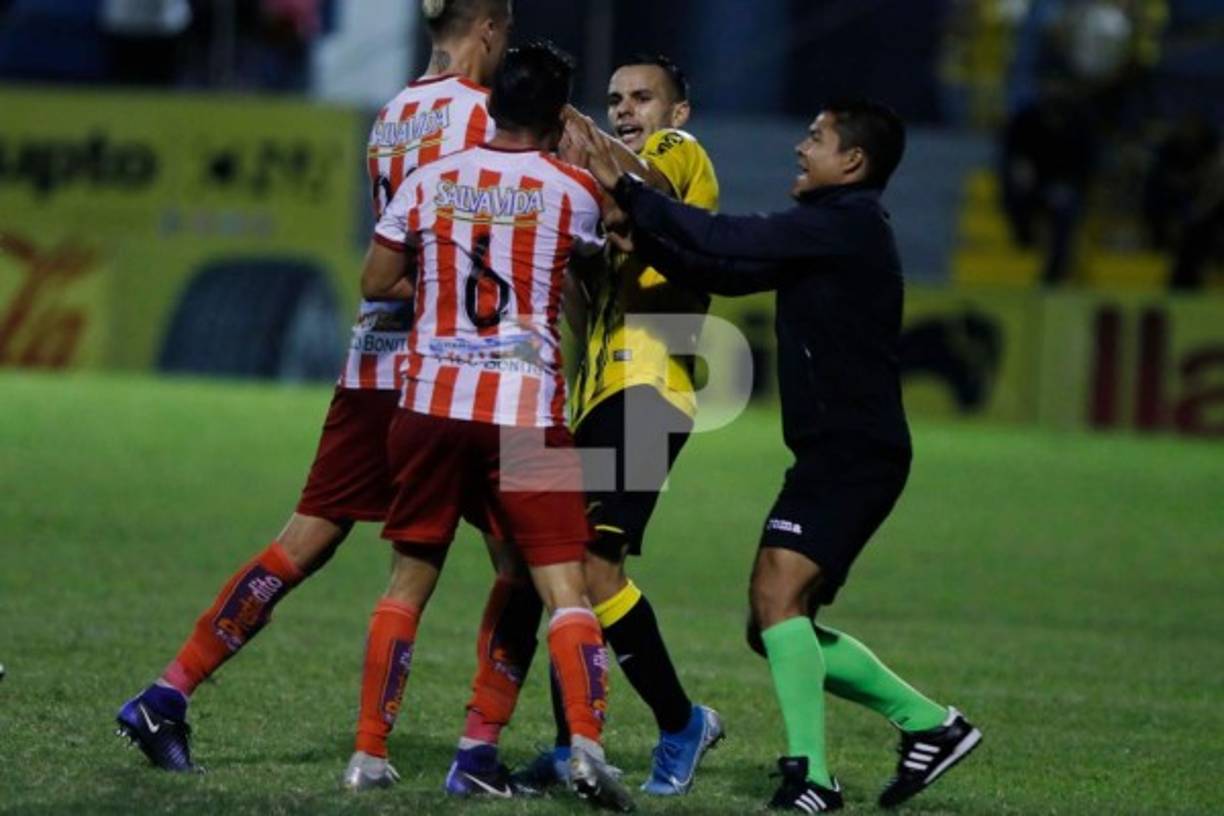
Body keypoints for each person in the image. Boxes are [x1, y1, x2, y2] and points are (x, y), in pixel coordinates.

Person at [114, 0, 512, 773]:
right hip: (461, 375)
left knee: (308, 538)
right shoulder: (488, 118)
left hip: (370, 361)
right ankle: (484, 750)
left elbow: (391, 246)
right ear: (491, 28)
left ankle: (168, 692)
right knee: (531, 556)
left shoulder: (392, 112)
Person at [567, 99, 982, 812]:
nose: (800, 148)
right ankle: (929, 724)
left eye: (815, 139)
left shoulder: (842, 225)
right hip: (840, 452)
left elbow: (726, 235)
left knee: (775, 598)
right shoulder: (835, 231)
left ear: (851, 162)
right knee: (771, 623)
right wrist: (647, 234)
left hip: (854, 454)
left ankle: (812, 779)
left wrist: (632, 194)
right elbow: (723, 267)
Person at [351, 40, 635, 812]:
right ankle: (581, 745)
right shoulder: (570, 189)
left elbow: (377, 282)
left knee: (408, 584)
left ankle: (369, 752)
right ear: (557, 116)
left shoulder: (430, 178)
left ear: (492, 102)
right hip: (524, 414)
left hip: (431, 406)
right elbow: (611, 247)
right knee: (560, 586)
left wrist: (442, 281)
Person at [502, 54, 725, 797]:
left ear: (678, 112)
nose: (626, 108)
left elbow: (648, 187)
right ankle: (573, 744)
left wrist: (578, 128)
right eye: (614, 99)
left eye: (642, 98)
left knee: (593, 567)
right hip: (597, 394)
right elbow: (577, 303)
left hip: (651, 386)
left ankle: (680, 721)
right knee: (553, 563)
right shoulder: (601, 194)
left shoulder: (676, 155)